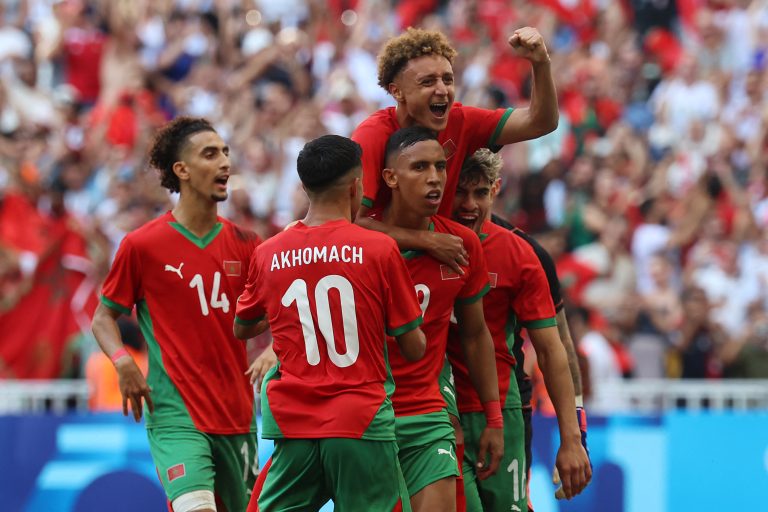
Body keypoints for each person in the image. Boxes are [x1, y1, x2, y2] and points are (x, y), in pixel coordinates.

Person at [234, 134, 426, 512]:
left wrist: (285, 320)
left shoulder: (269, 252)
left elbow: (242, 327)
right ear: (357, 187)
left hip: (295, 427)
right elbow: (414, 346)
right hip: (361, 421)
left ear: (304, 187)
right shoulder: (379, 249)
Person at [91, 117, 260, 512]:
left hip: (237, 415)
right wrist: (122, 362)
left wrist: (276, 350)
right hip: (175, 414)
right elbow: (103, 317)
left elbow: (276, 316)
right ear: (181, 171)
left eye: (225, 153)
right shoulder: (143, 245)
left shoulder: (247, 244)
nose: (224, 163)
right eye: (210, 154)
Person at [448, 149, 592, 510]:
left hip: (501, 408)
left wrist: (574, 438)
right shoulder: (413, 242)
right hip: (432, 410)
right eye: (460, 192)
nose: (469, 204)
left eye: (480, 193)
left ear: (496, 190)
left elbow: (555, 349)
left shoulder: (523, 254)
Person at [352, 26, 558, 274]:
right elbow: (353, 223)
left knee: (538, 259)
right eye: (427, 82)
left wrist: (541, 63)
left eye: (448, 80)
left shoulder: (461, 120)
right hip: (382, 267)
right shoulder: (372, 135)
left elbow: (541, 122)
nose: (442, 90)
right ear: (397, 91)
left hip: (445, 259)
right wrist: (428, 241)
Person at [374, 126, 503, 512]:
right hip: (368, 412)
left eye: (440, 167)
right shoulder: (361, 244)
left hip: (427, 412)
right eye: (420, 167)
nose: (434, 178)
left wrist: (494, 418)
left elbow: (477, 335)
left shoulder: (463, 245)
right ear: (390, 178)